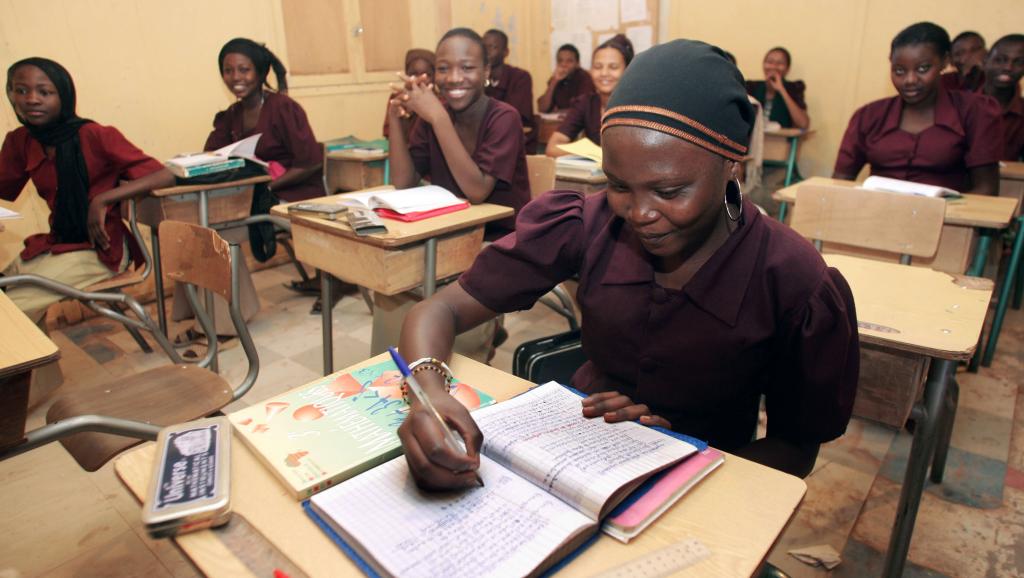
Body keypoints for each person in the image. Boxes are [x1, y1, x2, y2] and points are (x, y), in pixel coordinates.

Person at [395, 40, 859, 490]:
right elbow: (440, 310)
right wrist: (429, 393)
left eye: (670, 191)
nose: (639, 213)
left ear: (732, 167)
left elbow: (795, 451)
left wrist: (676, 463)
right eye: (619, 185)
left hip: (715, 475)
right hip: (582, 451)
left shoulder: (794, 280)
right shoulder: (587, 221)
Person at [1, 57, 175, 407]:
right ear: (10, 96)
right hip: (60, 243)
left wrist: (103, 199)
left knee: (11, 307)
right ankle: (36, 382)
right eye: (22, 91)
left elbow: (165, 174)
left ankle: (16, 393)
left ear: (64, 95)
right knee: (8, 283)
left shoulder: (94, 135)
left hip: (103, 248)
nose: (32, 99)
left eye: (44, 91)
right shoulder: (21, 141)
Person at [388, 28, 530, 240]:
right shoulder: (433, 116)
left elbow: (477, 191)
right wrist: (394, 117)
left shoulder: (504, 117)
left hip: (501, 239)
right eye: (443, 68)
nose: (454, 78)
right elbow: (403, 182)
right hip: (450, 233)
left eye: (467, 67)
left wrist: (439, 118)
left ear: (486, 72)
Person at [834, 22, 1001, 195]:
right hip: (876, 215)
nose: (910, 80)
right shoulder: (869, 116)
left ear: (945, 61)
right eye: (899, 71)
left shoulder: (974, 111)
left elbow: (986, 189)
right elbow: (840, 181)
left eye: (923, 68)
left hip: (947, 218)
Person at [545, 35, 633, 157]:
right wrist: (589, 151)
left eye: (613, 67)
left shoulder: (639, 106)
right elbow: (552, 148)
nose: (604, 73)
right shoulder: (586, 103)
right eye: (598, 67)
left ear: (627, 70)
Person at [482, 29, 537, 151]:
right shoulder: (477, 77)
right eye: (484, 47)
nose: (487, 52)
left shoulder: (520, 77)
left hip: (517, 142)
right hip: (486, 139)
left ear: (505, 52)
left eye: (493, 47)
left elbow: (511, 115)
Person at [980, 34, 1024, 161]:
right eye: (1000, 60)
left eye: (1019, 62)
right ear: (985, 62)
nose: (1008, 67)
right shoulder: (959, 105)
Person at [745, 47, 810, 129]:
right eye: (770, 62)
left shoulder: (794, 88)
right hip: (754, 140)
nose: (774, 67)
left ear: (787, 69)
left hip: (781, 140)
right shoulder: (752, 86)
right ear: (763, 65)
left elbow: (803, 124)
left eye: (780, 63)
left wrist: (782, 90)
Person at [383, 49, 435, 140]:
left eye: (426, 75)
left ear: (434, 77)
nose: (419, 80)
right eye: (413, 75)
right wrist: (407, 117)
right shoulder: (398, 99)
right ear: (406, 75)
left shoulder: (443, 101)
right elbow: (390, 137)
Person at [536, 43, 595, 113]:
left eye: (569, 61)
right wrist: (554, 82)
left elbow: (582, 109)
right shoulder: (556, 79)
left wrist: (559, 111)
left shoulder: (584, 78)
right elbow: (542, 108)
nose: (563, 64)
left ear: (577, 64)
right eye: (560, 61)